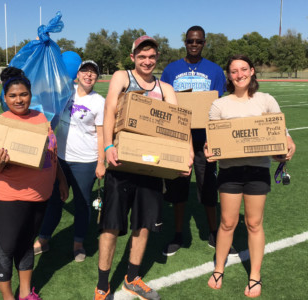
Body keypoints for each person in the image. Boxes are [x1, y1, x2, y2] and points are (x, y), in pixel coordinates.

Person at [94, 36, 190, 300]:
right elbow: (110, 110)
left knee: (144, 225)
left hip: (152, 165)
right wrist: (107, 147)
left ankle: (132, 278)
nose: (147, 61)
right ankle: (103, 285)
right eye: (142, 56)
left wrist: (186, 155)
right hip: (122, 160)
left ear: (157, 57)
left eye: (151, 56)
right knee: (111, 226)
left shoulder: (165, 87)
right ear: (133, 56)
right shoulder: (122, 77)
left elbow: (179, 123)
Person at [205, 54, 296, 297]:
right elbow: (212, 141)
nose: (239, 74)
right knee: (227, 223)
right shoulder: (220, 105)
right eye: (234, 71)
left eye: (243, 69)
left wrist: (288, 145)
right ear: (229, 75)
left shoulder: (266, 100)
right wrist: (209, 150)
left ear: (252, 71)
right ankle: (219, 268)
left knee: (254, 223)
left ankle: (255, 275)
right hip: (229, 171)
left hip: (257, 170)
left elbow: (281, 133)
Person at [0, 67, 68, 300]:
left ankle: (25, 293)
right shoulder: (1, 122)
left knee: (26, 245)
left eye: (23, 94)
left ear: (30, 95)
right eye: (12, 96)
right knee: (7, 248)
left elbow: (51, 153)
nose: (19, 99)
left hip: (39, 196)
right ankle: (8, 297)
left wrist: (60, 179)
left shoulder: (40, 117)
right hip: (8, 197)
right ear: (5, 97)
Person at [160, 25, 236, 256]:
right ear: (185, 42)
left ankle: (213, 232)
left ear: (204, 43)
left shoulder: (213, 70)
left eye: (199, 41)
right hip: (180, 138)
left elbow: (219, 104)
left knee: (209, 188)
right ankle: (178, 234)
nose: (194, 45)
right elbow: (163, 102)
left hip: (205, 140)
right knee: (178, 188)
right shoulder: (171, 70)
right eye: (191, 41)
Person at [33, 60, 105, 262]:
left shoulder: (99, 101)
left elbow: (101, 134)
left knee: (82, 204)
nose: (89, 75)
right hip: (60, 159)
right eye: (85, 71)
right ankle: (43, 239)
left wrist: (101, 162)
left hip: (86, 161)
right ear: (77, 74)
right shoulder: (65, 92)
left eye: (93, 72)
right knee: (53, 201)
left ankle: (78, 243)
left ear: (97, 78)